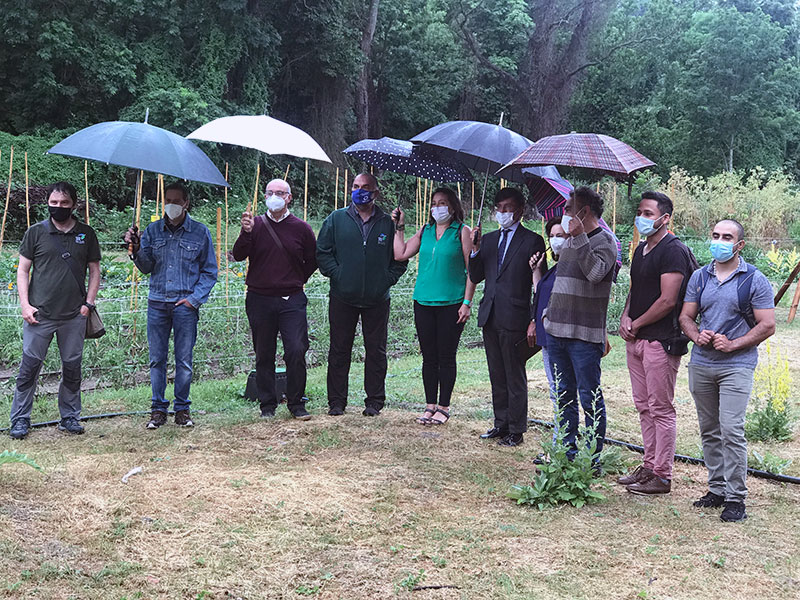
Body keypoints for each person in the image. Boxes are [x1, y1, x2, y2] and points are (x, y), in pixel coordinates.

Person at [679, 219, 775, 522]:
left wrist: (734, 344)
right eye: (716, 235)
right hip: (702, 363)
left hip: (737, 365)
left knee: (731, 430)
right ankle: (717, 489)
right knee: (709, 429)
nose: (719, 241)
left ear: (739, 245)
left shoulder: (754, 279)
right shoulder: (699, 277)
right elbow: (686, 316)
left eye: (727, 237)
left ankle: (736, 498)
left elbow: (767, 325)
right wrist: (697, 336)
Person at [617, 191, 696, 495]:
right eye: (639, 212)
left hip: (661, 341)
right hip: (636, 340)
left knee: (660, 408)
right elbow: (635, 289)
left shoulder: (673, 251)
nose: (641, 218)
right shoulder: (641, 249)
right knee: (643, 406)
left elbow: (667, 300)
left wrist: (637, 323)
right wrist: (625, 316)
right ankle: (649, 465)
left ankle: (662, 474)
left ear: (665, 218)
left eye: (648, 213)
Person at [8, 182, 101, 439]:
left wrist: (88, 304)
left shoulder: (86, 234)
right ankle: (20, 419)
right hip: (39, 316)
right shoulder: (35, 232)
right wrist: (25, 305)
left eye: (64, 203)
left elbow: (95, 271)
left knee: (72, 368)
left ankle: (70, 416)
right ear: (48, 203)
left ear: (74, 205)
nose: (58, 207)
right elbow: (23, 270)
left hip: (74, 315)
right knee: (29, 368)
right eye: (54, 202)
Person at [124, 183, 218, 429]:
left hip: (184, 306)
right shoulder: (153, 231)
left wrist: (193, 300)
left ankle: (182, 409)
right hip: (157, 303)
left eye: (176, 201)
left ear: (186, 203)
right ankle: (158, 409)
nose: (171, 205)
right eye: (167, 200)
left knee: (184, 360)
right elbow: (146, 267)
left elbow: (210, 271)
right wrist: (135, 249)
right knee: (157, 359)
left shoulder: (200, 232)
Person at [316, 173, 407, 416]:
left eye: (365, 187)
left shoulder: (388, 223)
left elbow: (400, 259)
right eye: (356, 186)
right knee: (339, 349)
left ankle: (374, 402)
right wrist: (338, 274)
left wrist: (385, 280)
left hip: (377, 299)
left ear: (376, 193)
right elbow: (323, 252)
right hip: (342, 296)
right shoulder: (336, 219)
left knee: (376, 351)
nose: (360, 191)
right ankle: (336, 402)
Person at [231, 179, 317, 420]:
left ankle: (296, 403)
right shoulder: (255, 224)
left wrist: (297, 280)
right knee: (264, 352)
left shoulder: (302, 228)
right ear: (265, 196)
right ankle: (267, 404)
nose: (275, 196)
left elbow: (313, 259)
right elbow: (238, 255)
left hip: (292, 299)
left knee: (296, 349)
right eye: (270, 192)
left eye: (280, 193)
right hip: (259, 298)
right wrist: (246, 233)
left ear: (289, 197)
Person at [544, 186, 617, 466]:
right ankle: (566, 454)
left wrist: (580, 238)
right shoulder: (570, 242)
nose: (563, 214)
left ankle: (591, 459)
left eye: (568, 209)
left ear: (584, 212)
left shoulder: (605, 241)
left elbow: (596, 273)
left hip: (584, 337)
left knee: (590, 398)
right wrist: (548, 315)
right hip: (556, 332)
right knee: (564, 396)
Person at [391, 187, 476, 425]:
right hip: (423, 301)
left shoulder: (462, 231)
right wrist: (399, 227)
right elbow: (400, 253)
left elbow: (472, 270)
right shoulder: (425, 230)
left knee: (446, 356)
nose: (438, 207)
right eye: (434, 203)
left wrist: (467, 302)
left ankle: (444, 407)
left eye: (443, 203)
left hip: (452, 303)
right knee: (428, 357)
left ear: (453, 207)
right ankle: (429, 405)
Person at [470, 188, 545, 446]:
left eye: (508, 208)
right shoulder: (489, 240)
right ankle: (500, 423)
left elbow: (538, 285)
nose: (502, 212)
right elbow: (476, 275)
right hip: (490, 315)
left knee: (514, 374)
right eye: (499, 207)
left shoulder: (532, 241)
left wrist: (534, 318)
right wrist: (474, 250)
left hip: (516, 316)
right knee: (496, 373)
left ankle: (516, 428)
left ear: (520, 210)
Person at [527, 216, 568, 439]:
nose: (555, 240)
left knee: (562, 391)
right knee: (555, 389)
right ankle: (559, 439)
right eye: (551, 236)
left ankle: (561, 441)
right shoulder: (553, 269)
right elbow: (541, 295)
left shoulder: (571, 269)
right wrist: (536, 271)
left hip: (561, 337)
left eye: (560, 235)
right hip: (547, 337)